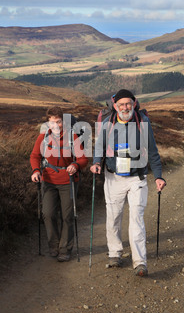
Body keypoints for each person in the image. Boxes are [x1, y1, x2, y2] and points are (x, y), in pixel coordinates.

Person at [90, 89, 166, 277]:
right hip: (113, 177)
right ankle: (115, 253)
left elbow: (153, 152)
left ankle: (140, 262)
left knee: (136, 219)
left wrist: (158, 176)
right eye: (122, 104)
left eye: (128, 104)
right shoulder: (107, 123)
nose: (125, 107)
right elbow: (99, 147)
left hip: (137, 178)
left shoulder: (143, 122)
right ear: (115, 106)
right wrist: (95, 163)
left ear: (134, 104)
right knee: (113, 217)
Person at [30, 106, 88, 262]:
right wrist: (36, 170)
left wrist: (75, 166)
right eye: (52, 122)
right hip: (48, 181)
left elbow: (83, 159)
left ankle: (65, 249)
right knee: (47, 214)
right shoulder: (43, 137)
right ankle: (54, 246)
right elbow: (35, 155)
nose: (55, 125)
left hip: (68, 181)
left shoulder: (72, 136)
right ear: (48, 123)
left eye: (59, 121)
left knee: (67, 216)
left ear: (63, 121)